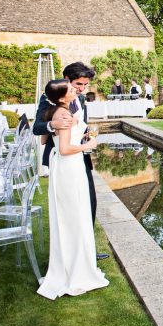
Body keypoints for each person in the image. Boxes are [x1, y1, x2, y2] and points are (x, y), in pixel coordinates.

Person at [37, 79, 109, 299]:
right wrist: (87, 145)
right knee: (75, 216)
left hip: (67, 166)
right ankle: (76, 271)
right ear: (61, 97)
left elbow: (43, 140)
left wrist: (77, 132)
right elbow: (66, 148)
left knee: (70, 216)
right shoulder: (63, 115)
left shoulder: (58, 111)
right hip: (70, 166)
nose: (75, 90)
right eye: (70, 89)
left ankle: (72, 265)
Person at [33, 62, 103, 252]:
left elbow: (79, 123)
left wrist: (86, 132)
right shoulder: (50, 98)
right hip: (66, 159)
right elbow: (37, 128)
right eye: (78, 84)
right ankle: (78, 253)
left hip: (80, 157)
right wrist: (53, 124)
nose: (82, 89)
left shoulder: (79, 99)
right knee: (71, 208)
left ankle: (86, 251)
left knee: (90, 202)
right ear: (67, 80)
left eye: (85, 85)